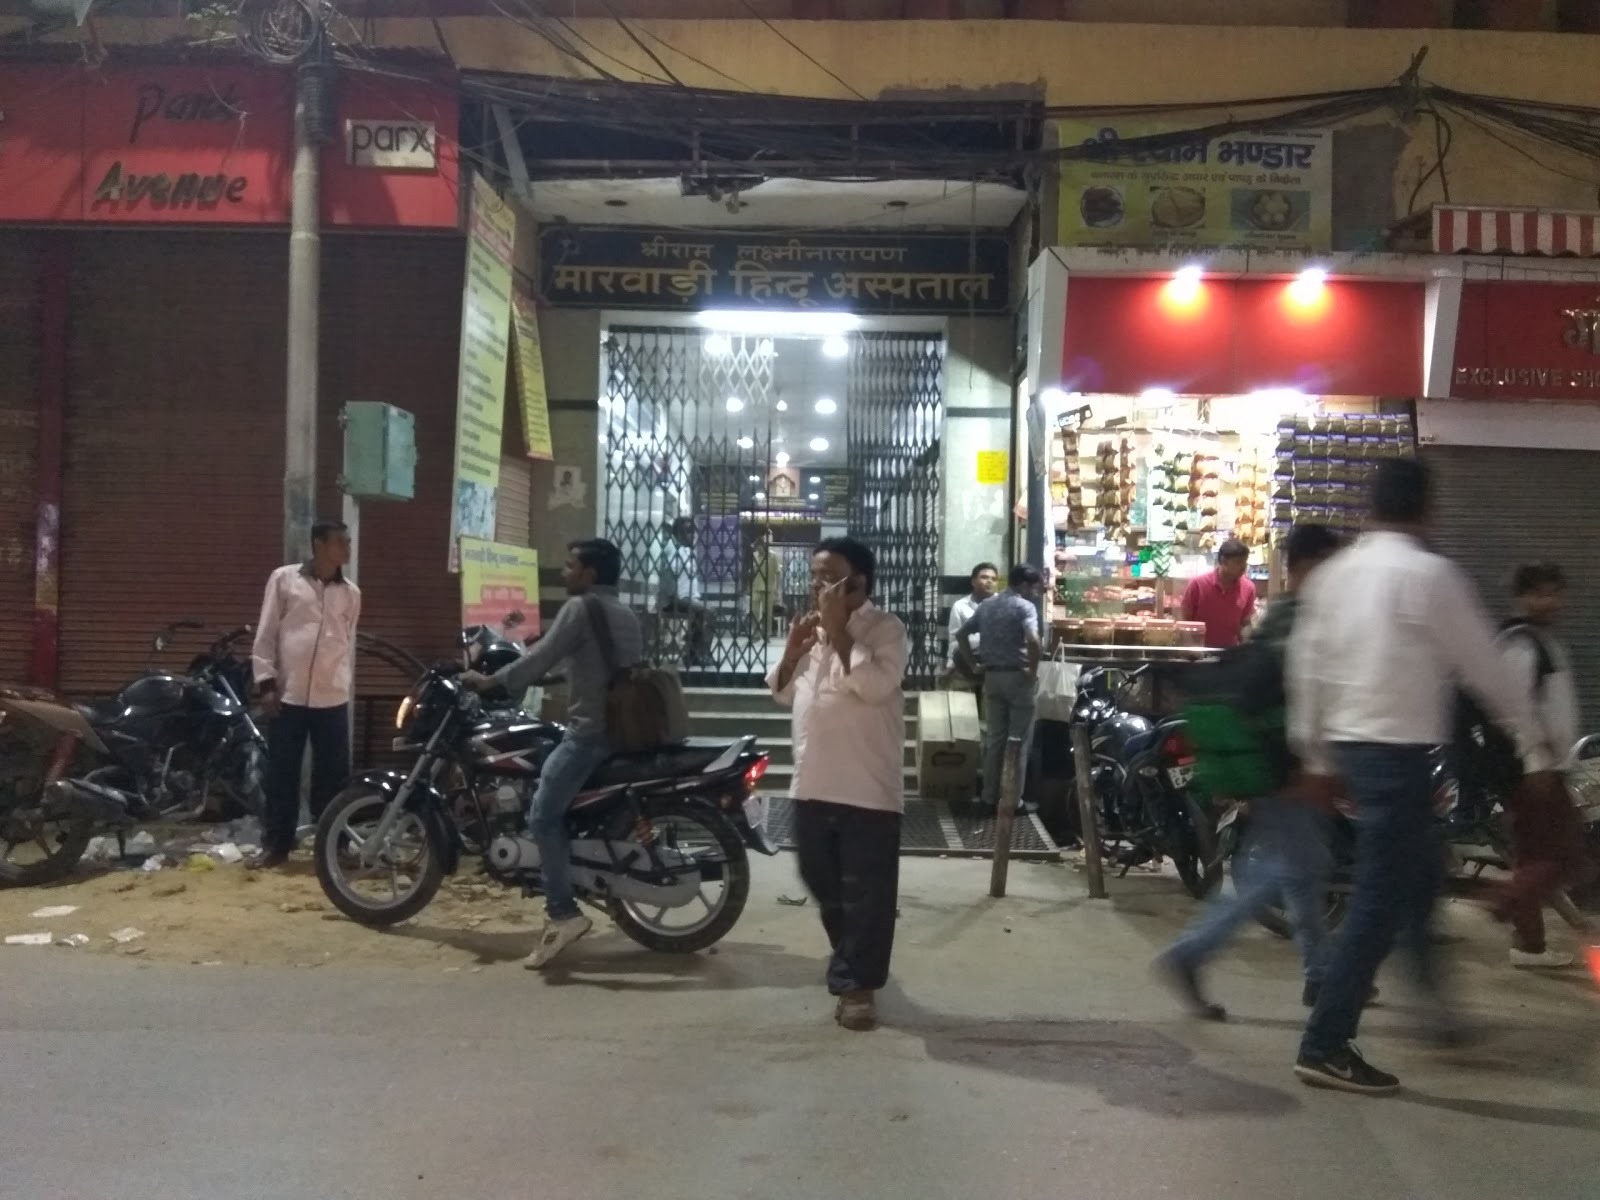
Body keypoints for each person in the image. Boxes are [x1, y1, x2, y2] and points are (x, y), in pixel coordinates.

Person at [1286, 458, 1564, 1096]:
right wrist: (1534, 743)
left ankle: (1436, 1011)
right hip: (1399, 759)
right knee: (1379, 901)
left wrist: (1318, 759)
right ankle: (1325, 1043)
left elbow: (1309, 668)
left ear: (1371, 506)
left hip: (1355, 751)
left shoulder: (1335, 576)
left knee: (1417, 879)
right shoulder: (1430, 576)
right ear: (1428, 509)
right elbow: (1488, 671)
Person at [1155, 524, 1343, 1020]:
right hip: (1287, 761)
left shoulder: (1280, 613)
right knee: (1289, 867)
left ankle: (1321, 973)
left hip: (1268, 755)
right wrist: (1316, 763)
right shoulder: (1305, 618)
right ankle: (1192, 951)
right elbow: (1307, 696)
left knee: (1301, 868)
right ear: (1309, 566)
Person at [463, 538, 643, 970]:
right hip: (622, 731)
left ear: (589, 574)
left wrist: (490, 682)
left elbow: (541, 656)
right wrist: (550, 679)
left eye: (569, 566)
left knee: (542, 816)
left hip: (589, 735)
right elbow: (591, 665)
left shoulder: (580, 608)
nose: (563, 573)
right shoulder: (625, 613)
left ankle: (563, 913)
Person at [769, 536, 908, 1033]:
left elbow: (874, 686)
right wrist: (792, 653)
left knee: (867, 895)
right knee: (821, 880)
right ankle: (850, 957)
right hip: (811, 783)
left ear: (858, 584)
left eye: (826, 578)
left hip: (867, 789)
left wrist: (839, 632)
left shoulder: (886, 630)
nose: (814, 587)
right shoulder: (812, 631)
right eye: (813, 577)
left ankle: (857, 987)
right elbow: (783, 693)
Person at [1487, 562, 1588, 969]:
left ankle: (1529, 944)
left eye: (1555, 593)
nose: (1551, 602)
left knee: (1536, 858)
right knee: (1567, 858)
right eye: (1541, 594)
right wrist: (1537, 762)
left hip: (1545, 768)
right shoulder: (1521, 643)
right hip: (1536, 771)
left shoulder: (1541, 641)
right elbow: (1513, 710)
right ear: (1521, 596)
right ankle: (1501, 901)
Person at [251, 520, 361, 869]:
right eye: (340, 542)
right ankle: (276, 846)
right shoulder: (284, 580)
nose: (347, 548)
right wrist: (266, 684)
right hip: (289, 696)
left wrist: (341, 681)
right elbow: (267, 633)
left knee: (334, 777)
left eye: (348, 541)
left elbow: (346, 643)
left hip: (332, 698)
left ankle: (334, 846)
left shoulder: (351, 594)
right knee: (282, 774)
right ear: (318, 544)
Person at [959, 564, 1044, 814]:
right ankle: (1012, 801)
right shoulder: (1024, 607)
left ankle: (988, 797)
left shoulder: (987, 605)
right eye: (1035, 588)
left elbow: (962, 634)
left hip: (992, 677)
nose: (1036, 594)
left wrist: (973, 665)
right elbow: (1033, 640)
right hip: (1017, 677)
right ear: (1024, 585)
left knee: (995, 740)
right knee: (1018, 741)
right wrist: (1033, 669)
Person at [1181, 538, 1257, 649]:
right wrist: (1191, 647)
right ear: (1224, 561)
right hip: (1199, 652)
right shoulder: (1198, 584)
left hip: (1230, 652)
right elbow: (1184, 619)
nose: (1243, 567)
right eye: (1238, 562)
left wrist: (1248, 641)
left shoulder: (1249, 588)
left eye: (1245, 562)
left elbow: (1245, 622)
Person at [659, 516, 710, 666]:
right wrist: (672, 597)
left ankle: (695, 652)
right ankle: (697, 653)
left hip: (688, 597)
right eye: (688, 531)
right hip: (677, 597)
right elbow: (667, 576)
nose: (692, 535)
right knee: (708, 612)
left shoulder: (687, 551)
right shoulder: (671, 549)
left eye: (693, 531)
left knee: (704, 613)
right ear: (678, 532)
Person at [947, 562, 999, 675]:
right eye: (984, 577)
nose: (989, 581)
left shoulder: (1004, 605)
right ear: (973, 581)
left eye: (994, 579)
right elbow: (954, 640)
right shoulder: (960, 606)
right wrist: (950, 666)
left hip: (998, 662)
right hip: (968, 662)